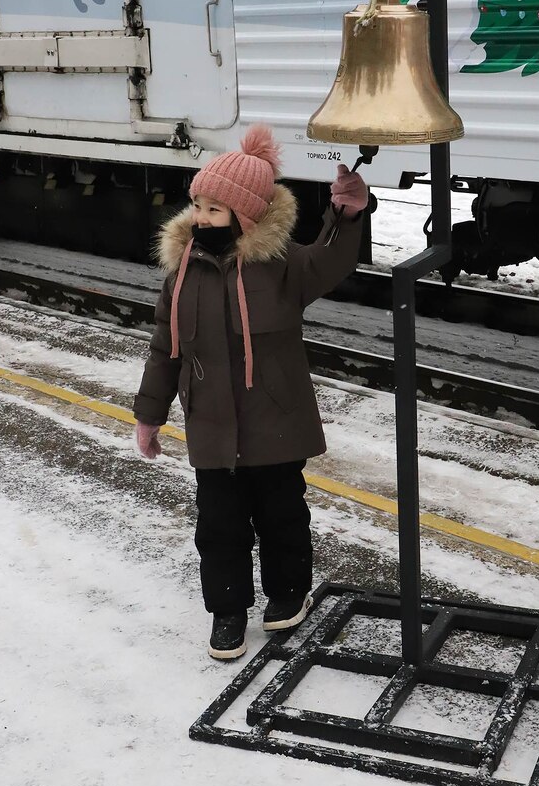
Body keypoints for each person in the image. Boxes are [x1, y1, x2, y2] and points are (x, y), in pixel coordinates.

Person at [132, 124, 367, 660]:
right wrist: (150, 416)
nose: (200, 217)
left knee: (282, 514)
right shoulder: (181, 276)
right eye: (197, 205)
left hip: (275, 421)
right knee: (219, 527)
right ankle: (228, 611)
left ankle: (288, 594)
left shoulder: (282, 267)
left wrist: (347, 213)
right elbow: (164, 350)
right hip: (212, 426)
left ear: (246, 216)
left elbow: (329, 258)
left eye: (214, 209)